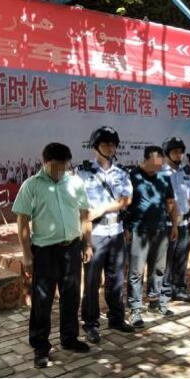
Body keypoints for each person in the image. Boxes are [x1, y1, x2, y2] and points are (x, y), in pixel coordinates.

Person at [12, 143, 93, 369]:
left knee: (71, 296)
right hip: (45, 251)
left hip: (72, 248)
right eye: (55, 166)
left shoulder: (75, 183)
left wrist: (87, 244)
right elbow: (22, 222)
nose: (59, 171)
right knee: (42, 300)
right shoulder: (31, 185)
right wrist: (27, 255)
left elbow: (84, 215)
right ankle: (40, 346)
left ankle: (69, 338)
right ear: (44, 162)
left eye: (63, 167)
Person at [77, 127, 134, 345]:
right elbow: (81, 207)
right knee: (92, 282)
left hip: (116, 232)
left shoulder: (122, 173)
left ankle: (116, 318)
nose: (110, 148)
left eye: (113, 144)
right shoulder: (83, 172)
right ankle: (90, 324)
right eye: (106, 144)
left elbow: (126, 200)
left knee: (116, 279)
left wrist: (102, 209)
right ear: (96, 146)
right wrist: (86, 242)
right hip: (95, 234)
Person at [126, 146, 178, 328]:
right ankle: (135, 309)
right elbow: (126, 204)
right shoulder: (133, 176)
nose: (158, 166)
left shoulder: (164, 177)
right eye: (155, 163)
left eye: (160, 163)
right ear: (146, 159)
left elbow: (171, 202)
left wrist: (174, 225)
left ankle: (155, 302)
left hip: (161, 229)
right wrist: (126, 228)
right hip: (139, 230)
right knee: (136, 272)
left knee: (158, 268)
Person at [161, 137, 190, 303]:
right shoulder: (161, 173)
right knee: (166, 260)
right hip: (168, 224)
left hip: (185, 222)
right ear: (167, 153)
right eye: (175, 151)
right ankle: (165, 291)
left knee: (182, 258)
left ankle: (180, 289)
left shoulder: (186, 173)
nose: (179, 155)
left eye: (181, 152)